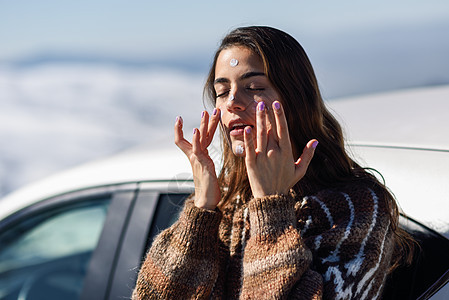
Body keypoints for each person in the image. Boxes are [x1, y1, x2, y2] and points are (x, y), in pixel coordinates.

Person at [132, 26, 413, 299]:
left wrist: (271, 210)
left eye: (253, 87)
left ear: (296, 99)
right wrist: (202, 210)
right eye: (221, 91)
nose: (232, 103)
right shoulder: (226, 201)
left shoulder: (356, 207)